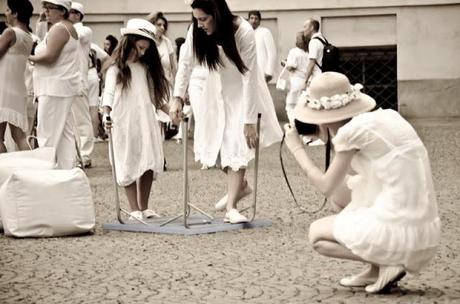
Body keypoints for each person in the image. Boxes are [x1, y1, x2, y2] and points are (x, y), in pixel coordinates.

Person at [284, 72, 441, 293]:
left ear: (323, 115)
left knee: (316, 235)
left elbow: (326, 185)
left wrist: (297, 149)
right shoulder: (387, 117)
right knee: (340, 200)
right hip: (422, 229)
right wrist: (326, 136)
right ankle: (375, 269)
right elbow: (347, 177)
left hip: (401, 231)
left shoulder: (351, 133)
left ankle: (389, 261)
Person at [170, 0, 283, 223]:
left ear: (217, 14)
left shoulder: (243, 31)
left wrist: (249, 119)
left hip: (241, 92)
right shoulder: (196, 30)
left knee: (236, 142)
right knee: (212, 144)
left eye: (204, 19)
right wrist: (177, 98)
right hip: (213, 91)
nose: (200, 24)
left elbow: (250, 77)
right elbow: (185, 65)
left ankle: (231, 207)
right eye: (196, 19)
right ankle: (240, 186)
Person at [102, 18, 170, 221]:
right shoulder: (115, 69)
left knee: (148, 161)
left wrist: (173, 111)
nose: (142, 53)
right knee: (128, 160)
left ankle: (144, 206)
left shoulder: (145, 68)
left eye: (145, 50)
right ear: (129, 42)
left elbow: (155, 98)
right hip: (123, 120)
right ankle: (134, 209)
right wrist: (106, 114)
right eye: (139, 48)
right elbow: (109, 95)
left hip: (145, 120)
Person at [29, 0, 80, 169]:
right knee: (64, 136)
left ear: (62, 11)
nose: (46, 11)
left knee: (47, 136)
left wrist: (27, 57)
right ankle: (66, 173)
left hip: (53, 89)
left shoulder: (60, 29)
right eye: (45, 7)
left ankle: (46, 174)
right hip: (59, 88)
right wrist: (43, 23)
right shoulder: (62, 27)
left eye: (49, 8)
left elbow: (49, 57)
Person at [0, 0, 34, 153]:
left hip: (3, 87)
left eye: (8, 10)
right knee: (19, 136)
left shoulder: (10, 32)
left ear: (15, 13)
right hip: (18, 89)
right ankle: (29, 169)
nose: (5, 13)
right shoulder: (28, 36)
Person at [69, 2, 94, 168]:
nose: (66, 15)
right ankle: (75, 155)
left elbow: (76, 35)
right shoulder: (62, 29)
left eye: (69, 12)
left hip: (78, 82)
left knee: (82, 121)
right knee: (69, 122)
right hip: (65, 82)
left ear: (78, 15)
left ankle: (85, 155)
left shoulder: (84, 30)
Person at [284, 31, 309, 124]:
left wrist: (285, 64)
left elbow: (291, 66)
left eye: (297, 39)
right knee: (304, 107)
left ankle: (294, 126)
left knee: (290, 107)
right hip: (307, 82)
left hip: (295, 82)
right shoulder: (309, 52)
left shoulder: (294, 52)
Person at [248, 10, 277, 83]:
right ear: (248, 20)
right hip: (249, 70)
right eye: (251, 18)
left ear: (259, 20)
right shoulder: (246, 33)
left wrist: (269, 71)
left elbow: (272, 53)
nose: (253, 21)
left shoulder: (265, 32)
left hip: (262, 71)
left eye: (256, 18)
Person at [302, 18, 324, 87]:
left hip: (317, 78)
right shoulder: (322, 39)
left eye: (305, 27)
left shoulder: (313, 42)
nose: (303, 30)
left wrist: (305, 81)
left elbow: (312, 63)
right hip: (324, 76)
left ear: (312, 28)